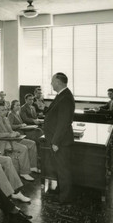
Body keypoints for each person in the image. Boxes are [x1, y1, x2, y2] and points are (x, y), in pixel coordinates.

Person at [44, 72, 75, 205]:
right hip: (57, 140)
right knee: (59, 168)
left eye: (52, 81)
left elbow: (63, 122)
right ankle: (61, 192)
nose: (51, 84)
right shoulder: (62, 95)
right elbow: (55, 114)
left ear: (58, 82)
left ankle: (65, 198)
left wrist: (55, 142)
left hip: (60, 142)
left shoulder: (66, 97)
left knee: (63, 170)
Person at [0, 102, 38, 181]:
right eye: (2, 110)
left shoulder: (6, 118)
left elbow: (10, 130)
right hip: (3, 143)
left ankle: (33, 167)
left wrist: (15, 133)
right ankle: (24, 172)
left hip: (11, 140)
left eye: (5, 110)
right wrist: (9, 134)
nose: (5, 112)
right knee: (23, 148)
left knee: (32, 143)